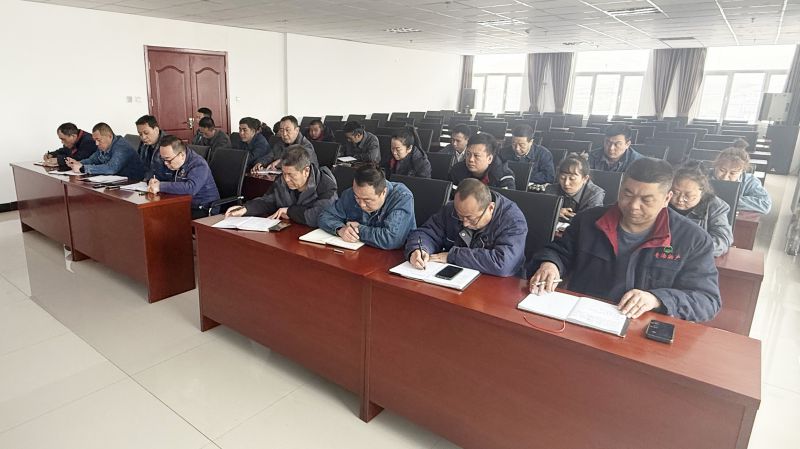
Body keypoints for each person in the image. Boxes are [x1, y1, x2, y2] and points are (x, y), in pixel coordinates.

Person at [527, 158, 721, 322]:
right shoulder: (588, 221)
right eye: (627, 194)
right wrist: (550, 264)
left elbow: (707, 300)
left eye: (646, 200)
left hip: (642, 328)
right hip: (582, 319)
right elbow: (559, 252)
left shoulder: (692, 239)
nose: (633, 205)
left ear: (666, 198)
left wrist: (656, 299)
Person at [406, 179, 527, 277]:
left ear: (490, 208)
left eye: (471, 219)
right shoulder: (453, 209)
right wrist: (418, 249)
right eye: (460, 216)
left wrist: (452, 256)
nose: (465, 224)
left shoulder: (513, 220)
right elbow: (427, 232)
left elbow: (503, 263)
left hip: (498, 285)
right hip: (455, 276)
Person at [226, 145, 337, 226]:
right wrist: (245, 209)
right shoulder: (281, 180)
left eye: (291, 174)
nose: (286, 179)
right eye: (284, 173)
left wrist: (290, 211)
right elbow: (268, 201)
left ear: (306, 171)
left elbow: (320, 216)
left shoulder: (326, 185)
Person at [318, 164, 415, 250]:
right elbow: (325, 216)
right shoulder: (352, 193)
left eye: (367, 200)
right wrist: (340, 229)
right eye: (357, 198)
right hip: (358, 252)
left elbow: (392, 239)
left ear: (383, 192)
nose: (361, 204)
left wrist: (359, 230)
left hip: (394, 257)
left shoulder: (401, 197)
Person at [147, 135, 220, 219]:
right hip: (183, 203)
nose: (165, 163)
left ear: (181, 155)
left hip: (204, 208)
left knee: (165, 219)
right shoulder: (174, 161)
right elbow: (165, 177)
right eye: (163, 159)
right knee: (154, 215)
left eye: (168, 159)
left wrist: (160, 186)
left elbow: (191, 188)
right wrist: (155, 182)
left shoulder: (199, 164)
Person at [669, 162, 732, 257]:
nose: (680, 199)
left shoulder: (716, 207)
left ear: (702, 192)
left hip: (694, 257)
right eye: (675, 193)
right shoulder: (662, 199)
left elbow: (722, 240)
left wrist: (692, 250)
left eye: (688, 196)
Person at [66, 122, 145, 180]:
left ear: (109, 136)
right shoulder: (104, 146)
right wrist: (78, 163)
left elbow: (111, 168)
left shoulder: (121, 147)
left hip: (133, 182)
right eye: (95, 140)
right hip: (117, 181)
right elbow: (92, 160)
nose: (96, 143)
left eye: (98, 140)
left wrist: (83, 168)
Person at [544, 154, 605, 222]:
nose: (566, 183)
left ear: (585, 178)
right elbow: (541, 213)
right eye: (562, 178)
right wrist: (554, 212)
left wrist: (555, 213)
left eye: (572, 179)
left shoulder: (595, 194)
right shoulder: (551, 190)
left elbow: (590, 220)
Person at [711, 147, 771, 214]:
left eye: (732, 173)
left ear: (742, 172)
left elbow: (765, 205)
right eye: (722, 170)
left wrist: (732, 199)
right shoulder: (704, 175)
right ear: (715, 166)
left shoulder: (749, 181)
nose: (725, 177)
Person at [448, 133, 515, 190]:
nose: (471, 159)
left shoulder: (504, 177)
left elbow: (506, 201)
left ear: (489, 159)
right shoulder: (457, 170)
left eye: (476, 156)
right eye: (468, 154)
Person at [253, 115, 317, 171]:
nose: (284, 134)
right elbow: (270, 156)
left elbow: (301, 161)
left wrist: (281, 161)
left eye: (287, 130)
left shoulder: (306, 145)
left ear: (297, 130)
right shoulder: (280, 143)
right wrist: (261, 163)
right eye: (281, 130)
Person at [135, 115, 171, 180]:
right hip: (146, 181)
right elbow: (139, 164)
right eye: (140, 134)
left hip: (163, 182)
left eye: (146, 133)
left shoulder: (169, 144)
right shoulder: (143, 144)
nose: (143, 137)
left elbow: (171, 173)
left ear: (156, 130)